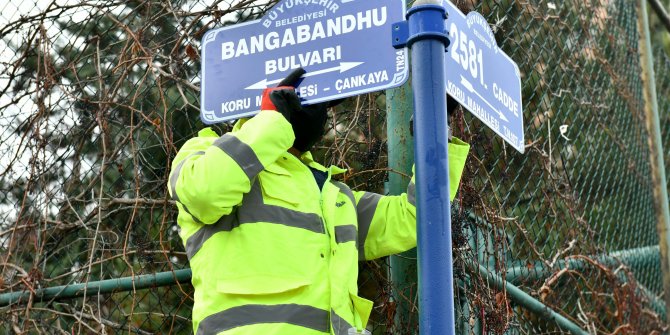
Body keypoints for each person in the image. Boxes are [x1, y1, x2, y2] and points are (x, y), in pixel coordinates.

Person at [168, 68, 470, 335]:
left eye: (323, 104)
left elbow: (415, 218)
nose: (321, 113)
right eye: (309, 100)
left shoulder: (333, 195)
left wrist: (435, 134)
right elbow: (203, 193)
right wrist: (271, 121)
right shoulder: (204, 150)